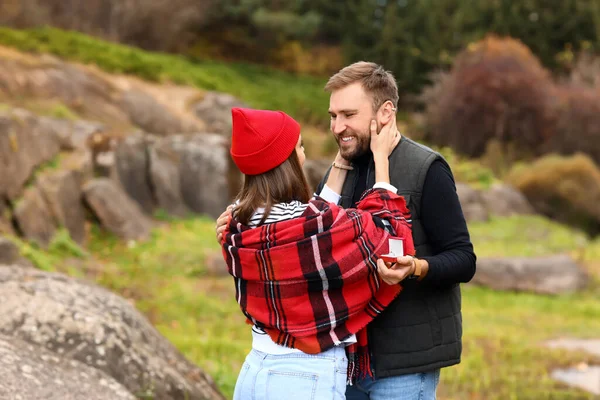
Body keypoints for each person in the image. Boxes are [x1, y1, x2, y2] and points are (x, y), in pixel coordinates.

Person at [217, 61, 477, 399]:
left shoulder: (425, 168)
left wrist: (415, 268)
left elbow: (463, 259)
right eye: (332, 116)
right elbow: (304, 235)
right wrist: (238, 217)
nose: (337, 127)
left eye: (348, 115)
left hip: (403, 364)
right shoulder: (340, 171)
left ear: (385, 112)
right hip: (346, 362)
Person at [221, 106, 416, 400]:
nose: (304, 154)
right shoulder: (319, 225)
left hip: (254, 372)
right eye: (299, 147)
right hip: (303, 378)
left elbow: (306, 224)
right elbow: (388, 235)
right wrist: (381, 163)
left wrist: (341, 162)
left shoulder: (235, 225)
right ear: (287, 161)